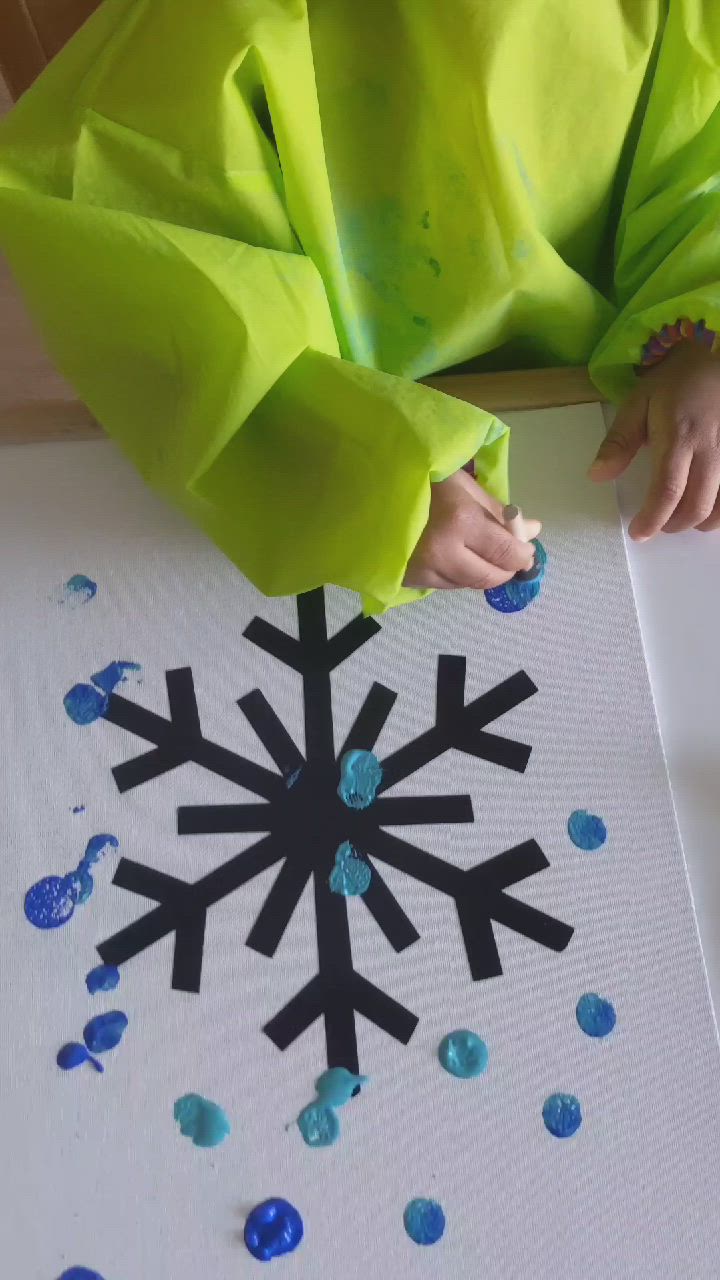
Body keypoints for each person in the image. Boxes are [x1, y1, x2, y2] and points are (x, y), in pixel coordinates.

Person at [1, 0, 719, 613]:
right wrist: (349, 462)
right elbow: (130, 237)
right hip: (351, 442)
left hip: (615, 436)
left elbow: (702, 143)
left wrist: (700, 341)